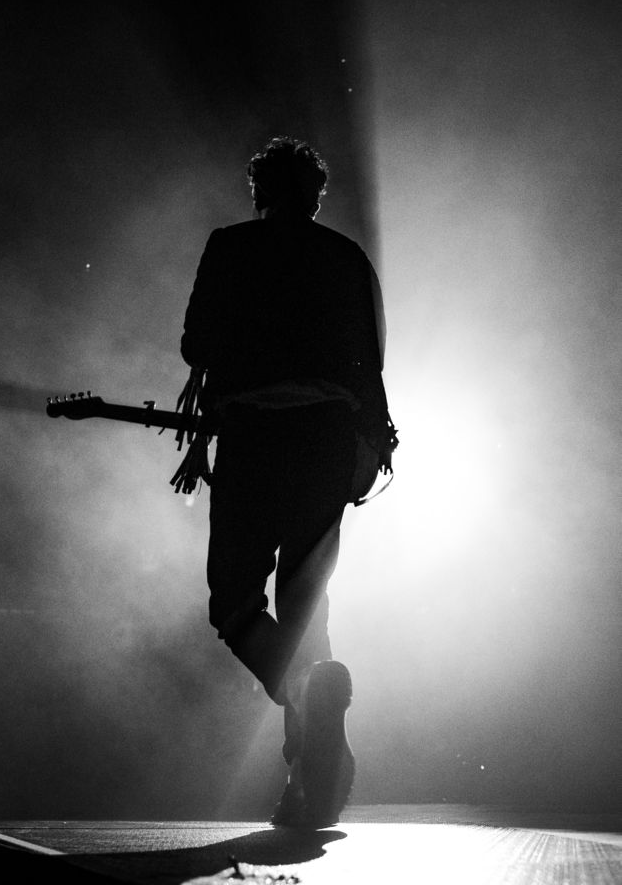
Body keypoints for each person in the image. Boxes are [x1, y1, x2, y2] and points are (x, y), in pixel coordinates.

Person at [177, 136, 397, 827]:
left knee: (234, 600)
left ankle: (303, 698)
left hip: (254, 436)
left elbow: (195, 343)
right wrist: (374, 441)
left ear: (260, 191)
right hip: (327, 440)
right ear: (315, 196)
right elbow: (370, 360)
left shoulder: (231, 246)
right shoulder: (346, 256)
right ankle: (308, 787)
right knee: (306, 608)